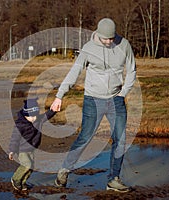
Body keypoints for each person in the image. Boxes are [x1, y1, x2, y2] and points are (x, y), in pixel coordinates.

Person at [50, 18, 136, 193]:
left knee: (120, 140)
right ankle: (64, 171)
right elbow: (74, 71)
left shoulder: (124, 45)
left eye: (112, 38)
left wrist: (123, 93)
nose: (109, 42)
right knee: (85, 138)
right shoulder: (89, 48)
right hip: (93, 100)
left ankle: (113, 179)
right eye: (106, 39)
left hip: (115, 99)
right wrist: (59, 95)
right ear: (98, 34)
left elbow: (132, 69)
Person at [9, 98, 56, 193]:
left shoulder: (38, 120)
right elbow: (14, 139)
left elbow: (47, 116)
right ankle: (15, 179)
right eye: (31, 117)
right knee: (27, 164)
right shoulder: (20, 125)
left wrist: (53, 110)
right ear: (25, 115)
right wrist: (12, 150)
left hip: (31, 148)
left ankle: (22, 182)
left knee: (31, 168)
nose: (33, 118)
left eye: (35, 116)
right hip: (21, 150)